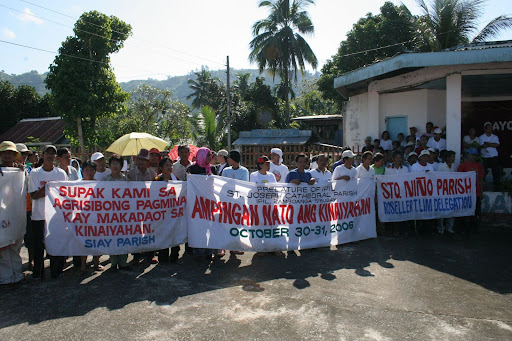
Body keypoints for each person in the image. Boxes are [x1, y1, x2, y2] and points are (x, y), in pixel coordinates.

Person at [27, 145, 68, 279]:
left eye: (53, 153)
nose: (50, 156)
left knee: (56, 244)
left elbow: (64, 195)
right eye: (47, 153)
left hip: (55, 217)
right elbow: (34, 195)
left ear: (55, 157)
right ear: (43, 155)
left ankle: (56, 270)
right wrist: (49, 188)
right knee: (39, 246)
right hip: (39, 215)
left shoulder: (61, 173)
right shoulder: (35, 173)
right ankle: (38, 271)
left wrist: (46, 190)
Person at [0, 141, 25, 285]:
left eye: (10, 153)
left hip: (15, 214)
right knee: (3, 248)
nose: (8, 155)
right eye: (5, 153)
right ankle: (6, 278)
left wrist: (20, 171)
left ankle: (18, 275)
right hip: (2, 215)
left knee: (16, 246)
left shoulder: (20, 171)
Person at [100, 155, 130, 270]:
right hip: (110, 215)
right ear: (110, 165)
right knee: (112, 237)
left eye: (117, 164)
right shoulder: (105, 180)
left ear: (121, 166)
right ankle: (113, 262)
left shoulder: (125, 179)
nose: (115, 166)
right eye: (113, 164)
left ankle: (123, 262)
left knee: (124, 237)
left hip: (123, 215)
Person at [187, 147, 217, 260]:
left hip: (209, 202)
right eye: (209, 155)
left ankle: (209, 251)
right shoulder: (192, 170)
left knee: (209, 226)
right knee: (198, 226)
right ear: (203, 156)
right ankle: (198, 251)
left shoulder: (212, 169)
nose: (211, 158)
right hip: (196, 203)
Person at [78, 161, 105, 273]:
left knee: (97, 241)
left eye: (91, 170)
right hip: (82, 218)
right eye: (86, 170)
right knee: (82, 242)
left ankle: (96, 262)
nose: (89, 172)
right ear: (82, 171)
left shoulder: (99, 184)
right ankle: (83, 265)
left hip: (96, 217)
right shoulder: (76, 184)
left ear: (95, 172)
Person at [153, 157, 180, 263]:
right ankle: (163, 256)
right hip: (162, 213)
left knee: (174, 234)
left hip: (174, 213)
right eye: (167, 165)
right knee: (163, 234)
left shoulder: (176, 179)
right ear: (161, 168)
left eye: (170, 165)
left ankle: (174, 256)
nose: (169, 167)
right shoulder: (156, 180)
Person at [458, 148, 484, 231]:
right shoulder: (463, 165)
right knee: (465, 211)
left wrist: (481, 191)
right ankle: (463, 227)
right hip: (465, 193)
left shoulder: (478, 166)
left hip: (476, 192)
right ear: (468, 155)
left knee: (476, 211)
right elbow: (458, 178)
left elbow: (480, 179)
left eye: (475, 155)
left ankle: (474, 227)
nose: (473, 157)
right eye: (472, 155)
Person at [436, 151, 457, 234]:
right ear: (447, 158)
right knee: (441, 211)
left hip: (451, 192)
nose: (454, 158)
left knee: (451, 210)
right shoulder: (441, 167)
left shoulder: (454, 167)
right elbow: (437, 178)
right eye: (452, 157)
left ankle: (449, 227)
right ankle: (440, 228)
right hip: (442, 192)